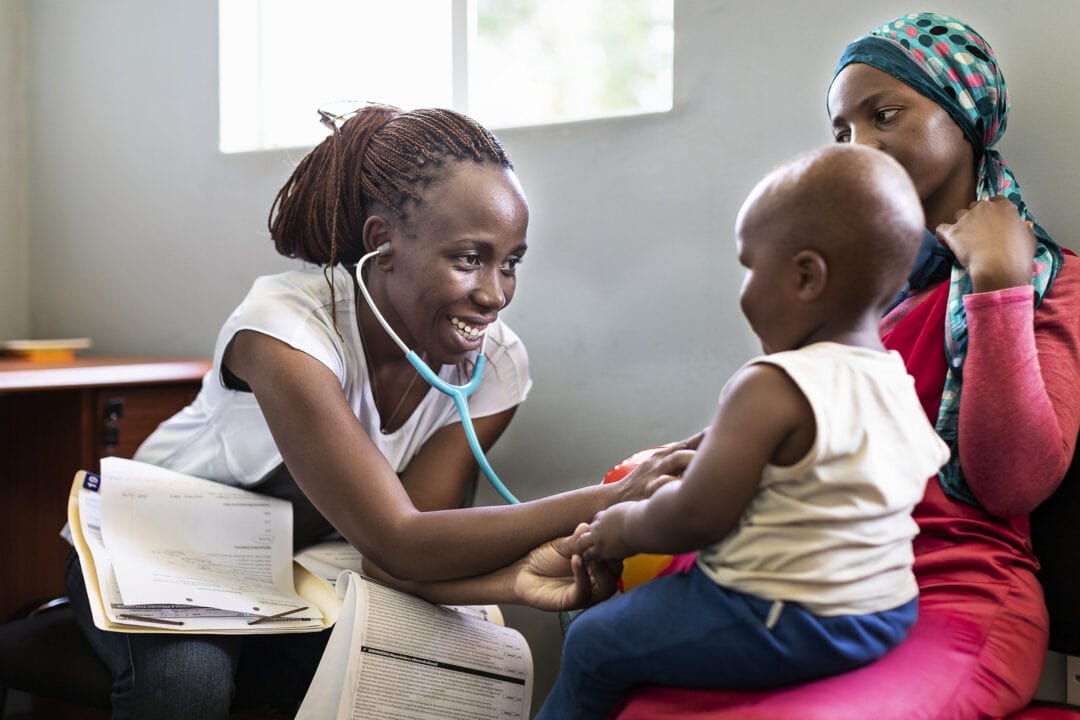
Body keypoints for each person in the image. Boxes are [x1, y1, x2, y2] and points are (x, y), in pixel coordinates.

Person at [63, 104, 696, 720]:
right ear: (382, 244)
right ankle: (55, 633)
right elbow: (401, 537)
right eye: (469, 258)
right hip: (157, 546)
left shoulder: (494, 368)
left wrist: (515, 582)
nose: (495, 294)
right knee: (189, 677)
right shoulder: (285, 331)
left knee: (410, 658)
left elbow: (394, 563)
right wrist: (609, 499)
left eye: (511, 263)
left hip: (284, 571)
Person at [607, 13, 1080, 720]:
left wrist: (998, 287)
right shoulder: (857, 291)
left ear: (965, 117)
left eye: (885, 114)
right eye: (840, 131)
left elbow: (1011, 481)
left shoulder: (1047, 282)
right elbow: (793, 428)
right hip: (811, 581)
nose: (859, 145)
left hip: (957, 597)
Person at [536, 143, 952, 720]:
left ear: (807, 277)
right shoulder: (891, 378)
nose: (744, 290)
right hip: (884, 612)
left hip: (792, 619)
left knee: (592, 641)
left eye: (751, 267)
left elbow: (697, 519)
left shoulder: (770, 383)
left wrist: (621, 527)